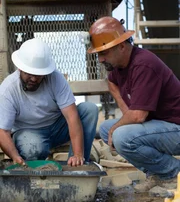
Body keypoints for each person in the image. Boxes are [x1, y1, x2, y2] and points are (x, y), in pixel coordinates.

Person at [87, 16, 180, 192]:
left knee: (120, 136)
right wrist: (125, 111)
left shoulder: (143, 64)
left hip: (176, 128)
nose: (100, 59)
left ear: (122, 46)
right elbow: (112, 82)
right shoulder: (120, 65)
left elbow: (138, 115)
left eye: (104, 53)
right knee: (108, 129)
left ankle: (174, 173)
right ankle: (157, 173)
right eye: (99, 53)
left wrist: (120, 125)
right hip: (162, 125)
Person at [0, 38, 98, 167]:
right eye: (29, 74)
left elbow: (72, 116)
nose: (34, 79)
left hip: (57, 128)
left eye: (38, 74)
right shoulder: (8, 89)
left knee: (89, 110)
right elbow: (3, 131)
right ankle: (33, 170)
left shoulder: (56, 79)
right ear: (20, 68)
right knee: (32, 147)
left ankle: (77, 165)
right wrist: (15, 157)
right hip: (28, 132)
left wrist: (78, 153)